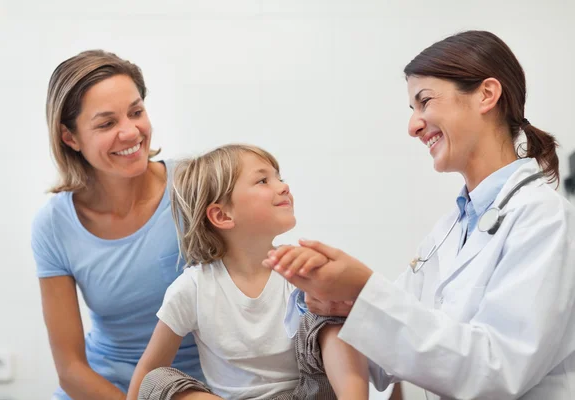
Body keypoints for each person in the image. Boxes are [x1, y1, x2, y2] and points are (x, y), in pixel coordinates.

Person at [263, 30, 575, 399]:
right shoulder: (450, 229)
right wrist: (335, 302)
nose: (413, 126)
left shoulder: (545, 218)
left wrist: (363, 289)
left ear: (487, 95)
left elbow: (496, 372)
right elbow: (389, 360)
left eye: (424, 101)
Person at [126, 144, 369, 400]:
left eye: (280, 178)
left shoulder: (301, 269)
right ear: (222, 215)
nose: (283, 186)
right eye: (263, 180)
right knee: (156, 380)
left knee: (324, 308)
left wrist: (323, 287)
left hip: (305, 395)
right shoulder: (192, 288)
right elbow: (148, 369)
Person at [31, 50, 203, 400]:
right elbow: (70, 369)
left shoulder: (196, 185)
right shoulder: (54, 224)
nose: (130, 132)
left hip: (193, 387)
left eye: (136, 112)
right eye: (106, 123)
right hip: (104, 388)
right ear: (70, 137)